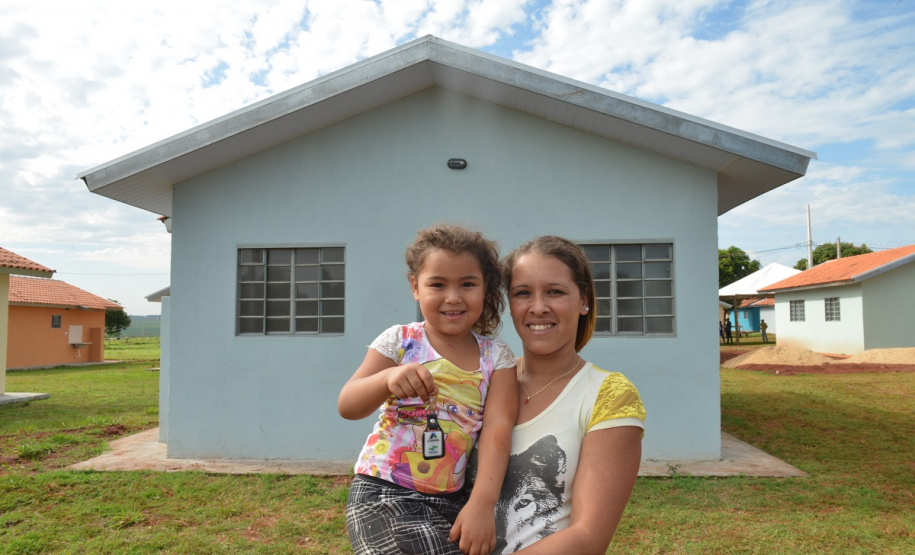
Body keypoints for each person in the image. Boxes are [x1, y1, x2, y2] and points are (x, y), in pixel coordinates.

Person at [338, 224, 518, 555]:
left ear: (485, 288)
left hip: (453, 501)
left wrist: (481, 504)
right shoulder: (399, 341)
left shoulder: (498, 358)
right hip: (385, 494)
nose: (453, 297)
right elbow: (348, 404)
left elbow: (498, 430)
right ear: (415, 287)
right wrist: (387, 379)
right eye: (437, 284)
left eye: (467, 284)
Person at [491, 236, 646, 554]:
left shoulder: (608, 395)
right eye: (523, 293)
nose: (538, 307)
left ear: (584, 300)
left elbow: (588, 538)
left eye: (555, 291)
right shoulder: (483, 382)